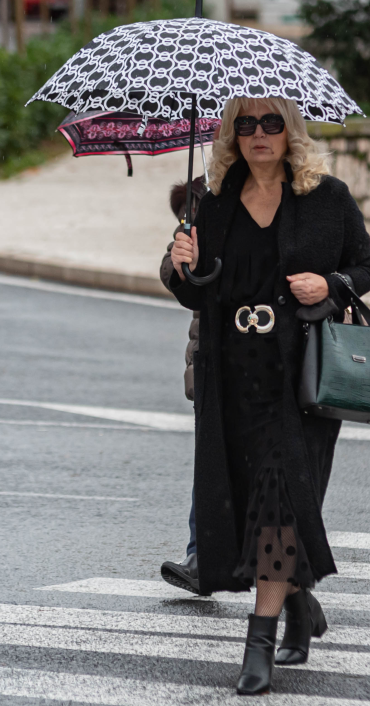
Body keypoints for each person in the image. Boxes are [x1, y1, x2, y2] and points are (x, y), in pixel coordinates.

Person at [168, 96, 370, 695]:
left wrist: (331, 284)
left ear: (291, 131)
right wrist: (181, 265)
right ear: (232, 134)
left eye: (272, 123)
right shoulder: (212, 201)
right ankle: (298, 604)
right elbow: (192, 292)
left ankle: (256, 645)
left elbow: (364, 268)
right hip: (231, 380)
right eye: (246, 124)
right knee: (251, 508)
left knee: (279, 504)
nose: (260, 134)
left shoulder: (327, 197)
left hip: (299, 385)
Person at [159, 177, 207, 597]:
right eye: (243, 125)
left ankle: (294, 585)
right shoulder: (202, 198)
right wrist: (180, 260)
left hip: (272, 351)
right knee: (210, 461)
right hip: (213, 355)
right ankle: (200, 559)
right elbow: (173, 275)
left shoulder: (292, 194)